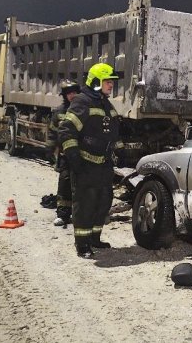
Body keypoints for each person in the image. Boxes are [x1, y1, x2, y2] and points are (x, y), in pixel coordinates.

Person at [59, 63, 121, 258]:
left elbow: (113, 132)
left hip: (103, 164)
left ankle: (94, 238)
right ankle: (82, 245)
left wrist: (120, 152)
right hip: (86, 164)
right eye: (107, 82)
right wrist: (75, 158)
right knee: (85, 204)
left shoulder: (105, 103)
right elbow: (67, 130)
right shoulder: (82, 101)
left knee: (103, 201)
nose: (111, 86)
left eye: (111, 82)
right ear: (96, 82)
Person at [46, 79, 81, 227]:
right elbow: (52, 133)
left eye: (74, 92)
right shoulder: (59, 112)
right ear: (64, 95)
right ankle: (63, 215)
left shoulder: (83, 110)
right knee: (64, 183)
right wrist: (49, 149)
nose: (72, 96)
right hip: (65, 156)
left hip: (81, 156)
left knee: (81, 185)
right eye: (69, 93)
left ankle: (81, 215)